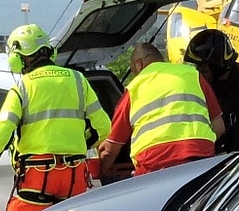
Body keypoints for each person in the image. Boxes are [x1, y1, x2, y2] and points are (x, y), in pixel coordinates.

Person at [0, 23, 111, 211]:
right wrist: (79, 145)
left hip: (38, 175)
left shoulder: (22, 86)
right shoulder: (78, 80)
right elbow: (103, 127)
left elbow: (3, 127)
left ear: (18, 55)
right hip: (74, 174)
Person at [95, 41, 224, 178]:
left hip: (154, 164)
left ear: (138, 64)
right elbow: (219, 127)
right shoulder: (193, 75)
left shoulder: (134, 89)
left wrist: (100, 175)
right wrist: (199, 145)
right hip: (200, 159)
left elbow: (110, 150)